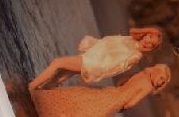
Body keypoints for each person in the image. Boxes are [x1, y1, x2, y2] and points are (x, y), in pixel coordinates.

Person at [28, 63, 171, 117]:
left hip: (112, 92)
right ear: (156, 71)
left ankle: (47, 104)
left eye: (163, 82)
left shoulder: (141, 74)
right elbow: (132, 103)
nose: (160, 82)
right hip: (116, 101)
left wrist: (120, 91)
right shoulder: (148, 86)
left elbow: (122, 82)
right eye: (161, 78)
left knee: (82, 100)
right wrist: (123, 108)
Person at [29, 27, 163, 87]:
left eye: (152, 44)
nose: (148, 42)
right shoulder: (131, 39)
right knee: (62, 74)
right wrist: (93, 44)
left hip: (92, 63)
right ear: (146, 34)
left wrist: (93, 71)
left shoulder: (136, 56)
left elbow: (113, 68)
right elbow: (108, 44)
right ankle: (42, 91)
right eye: (150, 37)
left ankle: (31, 87)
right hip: (92, 55)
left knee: (57, 63)